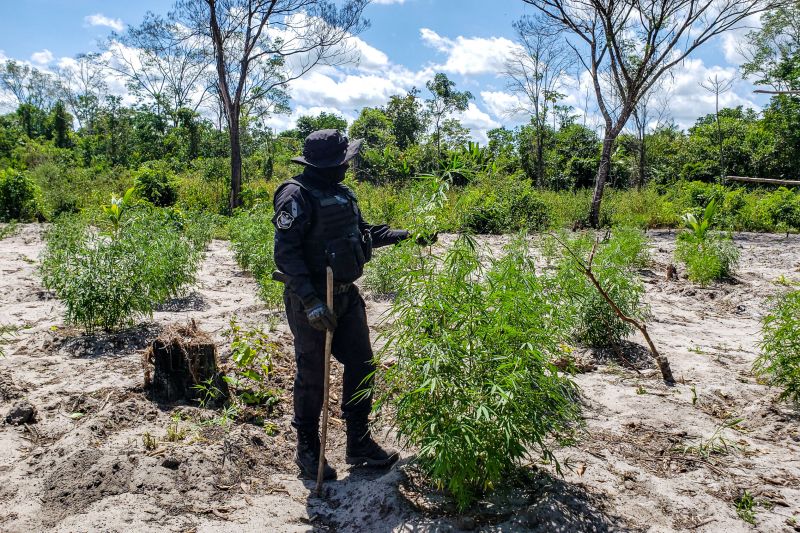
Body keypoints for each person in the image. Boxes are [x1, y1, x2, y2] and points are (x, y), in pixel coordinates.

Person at [272, 129, 428, 480]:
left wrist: (408, 234)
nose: (348, 166)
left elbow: (364, 233)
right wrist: (311, 303)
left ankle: (358, 440)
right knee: (312, 375)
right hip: (310, 299)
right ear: (326, 164)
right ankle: (308, 450)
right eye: (343, 161)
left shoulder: (342, 193)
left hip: (345, 295)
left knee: (362, 364)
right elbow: (285, 253)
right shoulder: (295, 195)